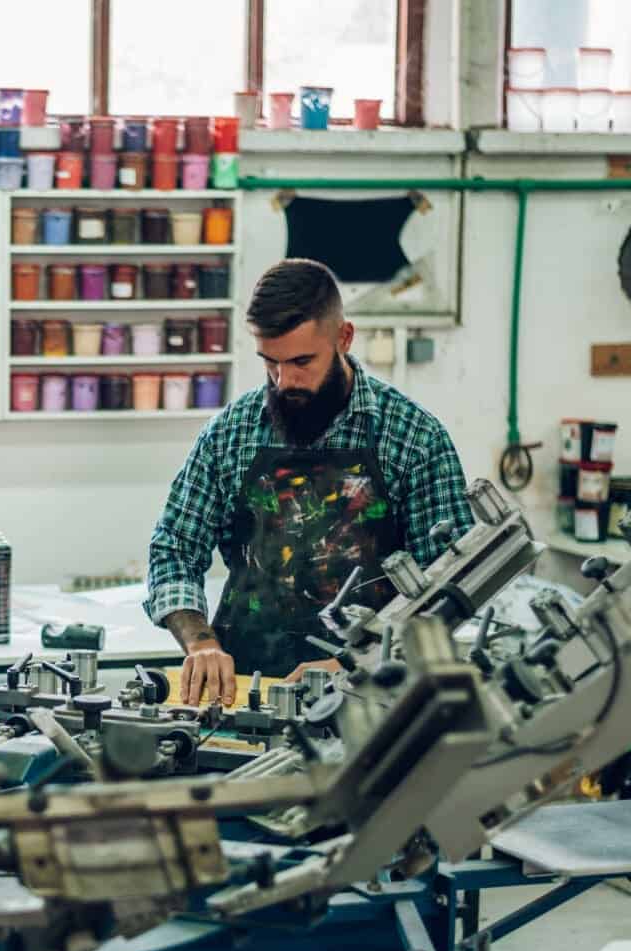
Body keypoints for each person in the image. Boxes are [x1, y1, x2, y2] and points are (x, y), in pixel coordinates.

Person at [145, 258, 473, 708]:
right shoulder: (231, 433)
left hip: (372, 695)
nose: (285, 382)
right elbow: (174, 548)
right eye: (270, 363)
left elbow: (449, 588)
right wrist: (201, 642)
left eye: (302, 361)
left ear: (344, 337)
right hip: (246, 690)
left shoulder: (413, 437)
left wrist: (364, 659)